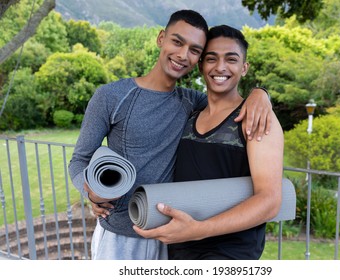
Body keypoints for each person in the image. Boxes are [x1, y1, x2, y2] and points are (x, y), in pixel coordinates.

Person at [68, 10, 272, 260]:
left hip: (173, 236)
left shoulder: (192, 102)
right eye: (177, 42)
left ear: (198, 59)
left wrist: (260, 94)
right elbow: (79, 161)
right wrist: (90, 191)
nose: (183, 55)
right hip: (121, 235)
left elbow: (229, 99)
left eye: (194, 49)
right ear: (161, 38)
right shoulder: (111, 96)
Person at [133, 25, 284, 260]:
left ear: (244, 68)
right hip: (177, 249)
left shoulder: (256, 118)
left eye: (231, 59)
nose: (220, 67)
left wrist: (198, 231)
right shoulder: (191, 111)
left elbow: (269, 201)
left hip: (229, 254)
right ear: (202, 65)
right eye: (211, 59)